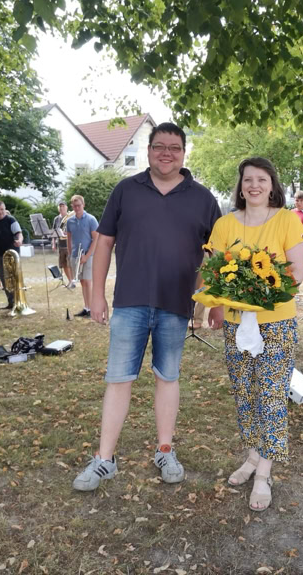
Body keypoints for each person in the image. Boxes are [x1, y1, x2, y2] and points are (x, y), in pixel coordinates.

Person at [72, 122, 221, 492]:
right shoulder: (126, 190)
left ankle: (165, 450)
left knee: (167, 377)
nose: (166, 153)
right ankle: (104, 459)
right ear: (149, 150)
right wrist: (96, 294)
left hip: (176, 303)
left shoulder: (203, 199)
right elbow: (104, 243)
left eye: (174, 147)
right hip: (130, 301)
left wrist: (215, 302)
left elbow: (219, 255)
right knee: (118, 378)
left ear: (184, 152)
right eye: (159, 146)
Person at [205, 157, 303, 512]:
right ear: (241, 186)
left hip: (276, 321)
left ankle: (264, 472)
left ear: (272, 184)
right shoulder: (224, 224)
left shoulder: (287, 220)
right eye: (248, 179)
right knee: (244, 392)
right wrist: (219, 302)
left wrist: (257, 293)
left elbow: (295, 274)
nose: (254, 186)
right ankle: (252, 455)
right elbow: (213, 273)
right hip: (237, 324)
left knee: (272, 394)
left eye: (261, 179)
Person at [0, 201, 23, 310]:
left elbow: (19, 234)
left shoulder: (11, 220)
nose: (0, 212)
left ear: (4, 208)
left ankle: (19, 301)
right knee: (4, 279)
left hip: (12, 253)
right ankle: (11, 302)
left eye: (2, 209)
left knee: (14, 277)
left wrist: (19, 241)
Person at [65, 195, 99, 317]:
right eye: (74, 206)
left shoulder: (91, 219)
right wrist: (70, 255)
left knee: (88, 281)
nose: (77, 208)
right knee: (82, 281)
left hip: (88, 255)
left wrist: (87, 256)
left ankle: (91, 310)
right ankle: (86, 307)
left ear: (83, 205)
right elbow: (69, 239)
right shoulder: (70, 221)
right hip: (76, 256)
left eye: (79, 205)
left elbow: (96, 239)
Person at [51, 201, 73, 283]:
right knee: (63, 264)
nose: (61, 208)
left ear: (66, 207)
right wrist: (53, 244)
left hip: (69, 244)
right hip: (60, 245)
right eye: (60, 206)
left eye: (63, 206)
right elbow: (54, 232)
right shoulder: (56, 219)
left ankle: (73, 280)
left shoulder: (70, 217)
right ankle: (70, 281)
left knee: (70, 264)